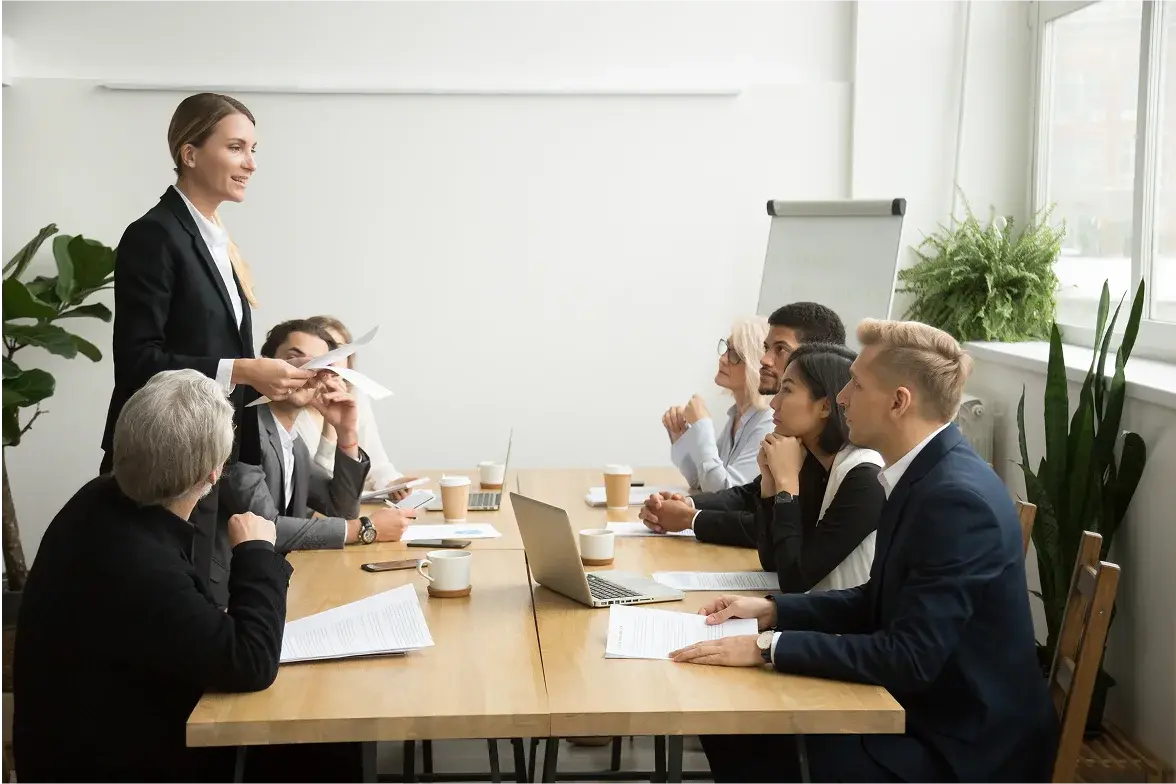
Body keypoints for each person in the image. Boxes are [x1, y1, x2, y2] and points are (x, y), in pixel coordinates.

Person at [669, 319, 1056, 783]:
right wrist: (774, 612)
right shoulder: (923, 473)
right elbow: (878, 597)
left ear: (899, 402)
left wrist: (768, 646)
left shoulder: (955, 500)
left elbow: (909, 656)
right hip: (928, 712)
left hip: (963, 746)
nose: (844, 396)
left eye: (857, 383)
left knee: (748, 721)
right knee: (737, 718)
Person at [15, 370, 291, 782]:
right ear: (213, 474)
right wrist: (255, 551)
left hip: (66, 746)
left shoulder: (96, 499)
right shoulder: (141, 564)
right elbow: (251, 663)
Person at [100, 92, 316, 589]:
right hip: (165, 462)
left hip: (211, 456)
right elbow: (137, 361)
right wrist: (242, 370)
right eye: (237, 147)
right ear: (189, 153)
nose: (252, 163)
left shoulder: (218, 241)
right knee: (168, 606)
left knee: (207, 598)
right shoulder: (155, 235)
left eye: (255, 149)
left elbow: (212, 345)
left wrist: (272, 379)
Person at [644, 344, 885, 592]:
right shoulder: (812, 462)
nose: (774, 404)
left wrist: (786, 486)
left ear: (825, 406)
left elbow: (794, 579)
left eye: (787, 390)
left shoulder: (865, 478)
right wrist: (770, 485)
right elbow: (772, 561)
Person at [217, 320, 416, 602]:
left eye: (319, 364)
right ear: (266, 365)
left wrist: (346, 434)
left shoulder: (293, 441)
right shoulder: (241, 431)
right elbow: (266, 527)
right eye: (293, 358)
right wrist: (364, 529)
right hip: (229, 593)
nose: (305, 371)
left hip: (278, 583)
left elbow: (341, 508)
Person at [640, 301, 846, 547]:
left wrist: (690, 518)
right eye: (765, 348)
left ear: (817, 359)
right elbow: (747, 494)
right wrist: (687, 505)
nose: (765, 360)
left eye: (780, 350)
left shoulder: (843, 462)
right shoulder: (794, 434)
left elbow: (771, 532)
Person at [293, 314, 418, 500]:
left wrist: (392, 483)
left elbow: (376, 462)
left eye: (340, 351)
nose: (332, 361)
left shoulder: (356, 396)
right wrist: (332, 426)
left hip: (351, 507)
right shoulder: (292, 406)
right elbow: (318, 485)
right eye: (325, 352)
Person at [662, 317, 774, 492]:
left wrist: (703, 426)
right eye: (726, 349)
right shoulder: (737, 416)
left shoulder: (767, 423)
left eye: (735, 354)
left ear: (755, 364)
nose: (722, 359)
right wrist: (681, 435)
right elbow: (701, 482)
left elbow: (725, 492)